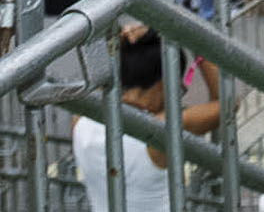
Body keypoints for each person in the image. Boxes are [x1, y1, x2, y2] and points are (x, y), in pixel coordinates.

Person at [72, 27, 225, 209]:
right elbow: (227, 103)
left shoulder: (81, 120)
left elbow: (101, 84)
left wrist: (125, 47)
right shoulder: (159, 131)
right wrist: (191, 37)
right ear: (164, 84)